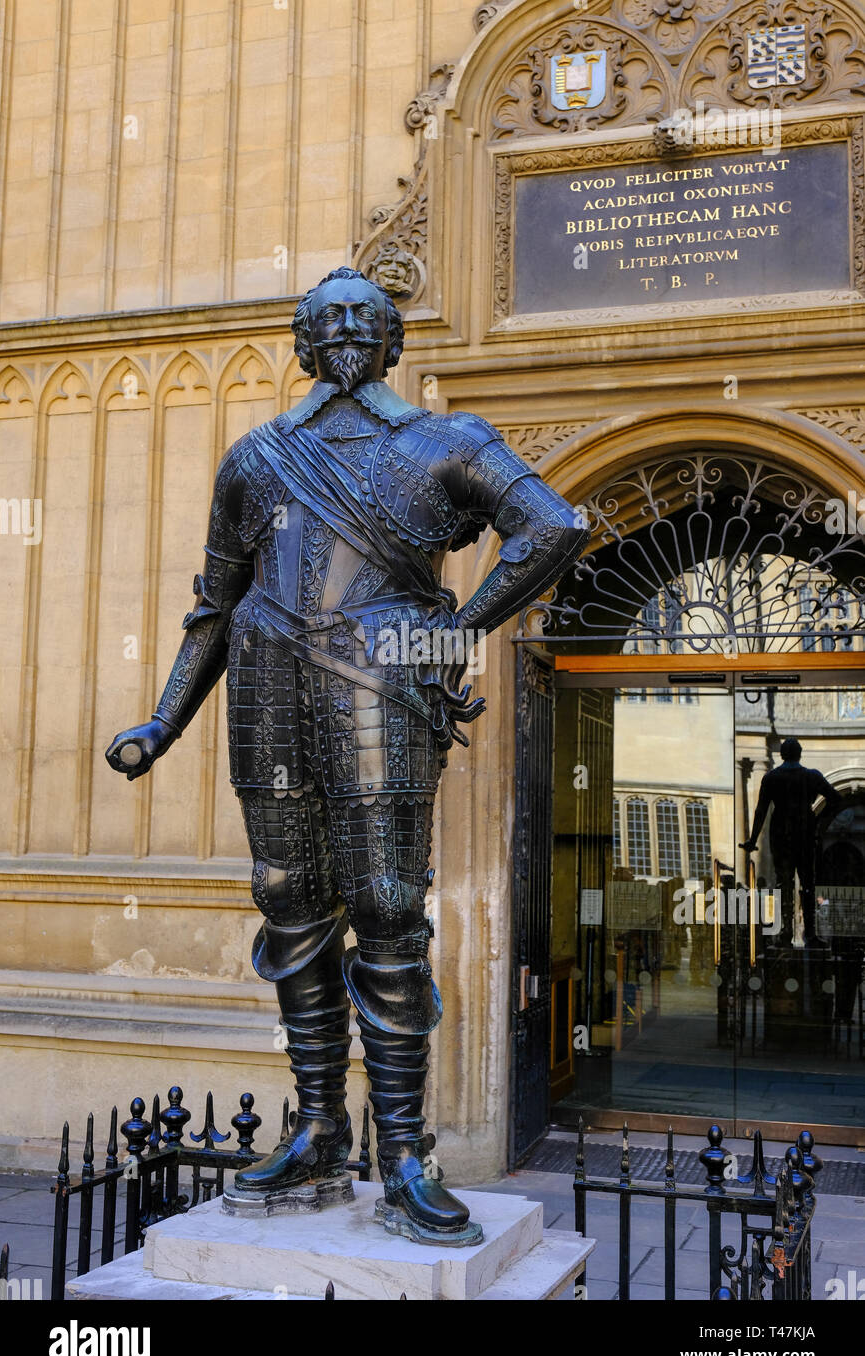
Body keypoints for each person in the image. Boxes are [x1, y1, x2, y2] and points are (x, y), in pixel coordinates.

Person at [105, 266, 588, 1244]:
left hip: (381, 681)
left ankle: (404, 1148)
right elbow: (215, 603)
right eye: (325, 319)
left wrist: (456, 631)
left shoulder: (446, 441)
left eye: (364, 318)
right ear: (300, 340)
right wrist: (162, 720)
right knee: (288, 897)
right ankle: (322, 1125)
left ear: (392, 341)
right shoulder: (254, 458)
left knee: (383, 901)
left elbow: (551, 524)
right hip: (266, 681)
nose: (344, 331)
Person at [740, 737, 842, 945]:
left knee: (783, 883)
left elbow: (761, 811)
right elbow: (836, 799)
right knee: (808, 884)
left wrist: (752, 839)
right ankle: (810, 933)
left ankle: (786, 931)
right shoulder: (812, 776)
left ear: (782, 755)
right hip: (804, 832)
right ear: (800, 754)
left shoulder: (771, 778)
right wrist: (819, 822)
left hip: (780, 834)